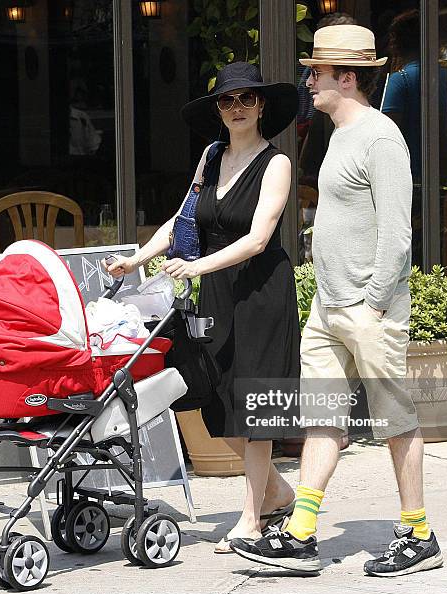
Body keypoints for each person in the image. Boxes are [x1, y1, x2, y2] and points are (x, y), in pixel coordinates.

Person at [230, 25, 443, 577]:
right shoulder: (337, 136)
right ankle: (301, 532)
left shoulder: (381, 138)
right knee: (322, 418)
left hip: (368, 310)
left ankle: (418, 532)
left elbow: (398, 233)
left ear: (347, 78)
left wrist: (372, 304)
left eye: (317, 73)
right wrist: (330, 298)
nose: (309, 81)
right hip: (328, 308)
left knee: (396, 421)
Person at [106, 61, 301, 553]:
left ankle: (252, 518)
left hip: (260, 292)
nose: (237, 108)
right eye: (227, 100)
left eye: (246, 99)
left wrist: (197, 268)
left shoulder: (275, 163)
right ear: (218, 110)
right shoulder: (211, 157)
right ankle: (276, 490)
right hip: (214, 288)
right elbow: (182, 220)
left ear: (261, 107)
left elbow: (259, 239)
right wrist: (136, 260)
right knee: (210, 393)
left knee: (253, 405)